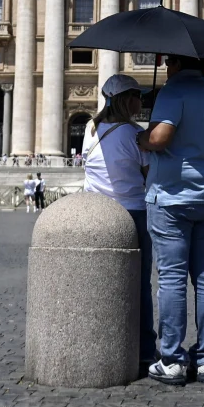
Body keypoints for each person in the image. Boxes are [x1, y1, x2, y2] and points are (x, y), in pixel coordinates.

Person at [137, 55, 204, 386]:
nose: (167, 66)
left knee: (171, 278)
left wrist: (142, 137)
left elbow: (160, 139)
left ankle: (171, 360)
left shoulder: (172, 93)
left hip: (172, 198)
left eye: (169, 61)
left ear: (176, 65)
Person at [82, 74, 157, 375]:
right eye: (139, 96)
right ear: (129, 100)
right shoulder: (135, 135)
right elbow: (151, 175)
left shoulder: (90, 130)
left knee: (100, 282)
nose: (142, 101)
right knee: (141, 285)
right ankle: (144, 350)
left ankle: (101, 341)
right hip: (134, 214)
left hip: (97, 214)